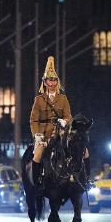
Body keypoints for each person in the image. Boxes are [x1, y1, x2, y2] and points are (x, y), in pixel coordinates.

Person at [29, 56, 74, 192]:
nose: (53, 82)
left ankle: (81, 178)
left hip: (60, 132)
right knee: (37, 155)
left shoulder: (63, 98)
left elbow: (69, 116)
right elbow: (33, 120)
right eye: (50, 80)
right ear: (45, 82)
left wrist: (64, 121)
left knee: (80, 151)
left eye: (55, 80)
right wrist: (37, 135)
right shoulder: (39, 100)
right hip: (43, 134)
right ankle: (36, 182)